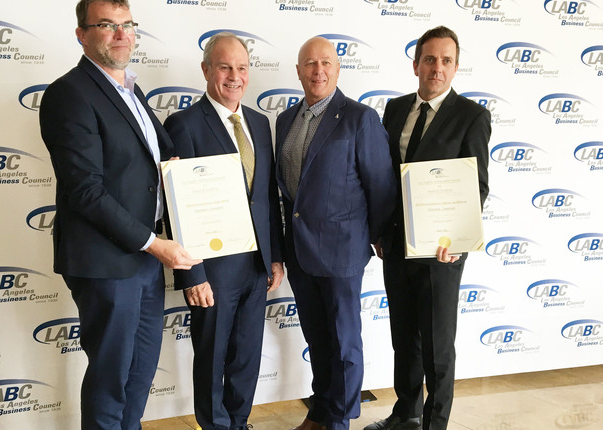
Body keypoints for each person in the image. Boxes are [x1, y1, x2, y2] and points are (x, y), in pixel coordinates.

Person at [39, 0, 200, 428]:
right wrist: (153, 244)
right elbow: (85, 190)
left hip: (145, 257)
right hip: (108, 262)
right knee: (112, 380)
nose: (120, 34)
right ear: (81, 34)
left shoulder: (131, 90)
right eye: (107, 25)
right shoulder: (68, 93)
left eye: (127, 25)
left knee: (140, 374)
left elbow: (151, 166)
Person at [366, 26, 491, 430]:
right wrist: (381, 231)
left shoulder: (472, 116)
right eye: (430, 59)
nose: (437, 68)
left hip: (441, 252)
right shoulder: (396, 109)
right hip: (397, 245)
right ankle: (406, 413)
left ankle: (435, 423)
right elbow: (385, 177)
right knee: (404, 336)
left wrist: (455, 238)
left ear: (455, 67)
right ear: (416, 63)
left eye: (446, 60)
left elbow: (477, 185)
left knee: (437, 345)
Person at [163, 33, 285, 430]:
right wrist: (191, 274)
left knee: (247, 354)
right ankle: (215, 426)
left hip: (256, 266)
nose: (235, 76)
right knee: (212, 355)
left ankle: (239, 421)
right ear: (206, 70)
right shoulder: (182, 125)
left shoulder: (258, 123)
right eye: (224, 67)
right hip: (211, 269)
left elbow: (266, 196)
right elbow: (176, 206)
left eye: (242, 68)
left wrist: (276, 255)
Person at [275, 36, 396, 430]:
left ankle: (339, 419)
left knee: (344, 343)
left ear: (338, 69)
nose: (318, 71)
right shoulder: (285, 121)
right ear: (298, 71)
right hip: (299, 252)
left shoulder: (360, 118)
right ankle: (321, 410)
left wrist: (377, 237)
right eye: (309, 64)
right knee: (318, 340)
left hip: (342, 252)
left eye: (326, 62)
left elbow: (379, 186)